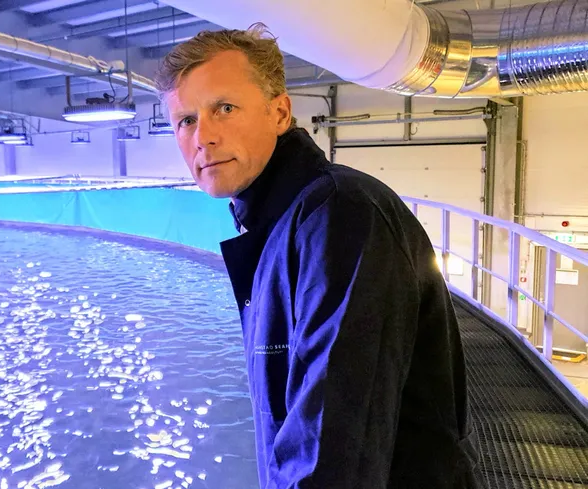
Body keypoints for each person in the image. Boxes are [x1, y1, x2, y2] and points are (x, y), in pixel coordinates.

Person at [155, 25, 482, 488]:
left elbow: (333, 450)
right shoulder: (287, 224)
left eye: (224, 108)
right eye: (185, 120)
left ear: (280, 112)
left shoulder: (339, 216)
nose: (202, 137)